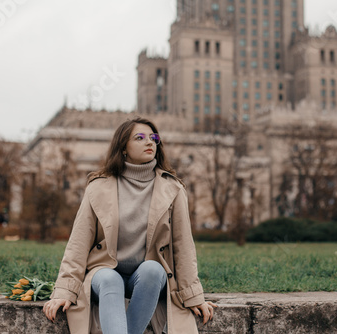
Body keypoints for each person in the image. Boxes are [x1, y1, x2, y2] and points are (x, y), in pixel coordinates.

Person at [43, 117, 216, 333]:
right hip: (104, 271)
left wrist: (194, 296)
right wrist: (64, 291)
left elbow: (183, 246)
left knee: (154, 269)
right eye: (140, 138)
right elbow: (78, 243)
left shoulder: (173, 189)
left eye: (154, 138)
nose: (150, 142)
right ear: (123, 147)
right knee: (110, 279)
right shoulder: (98, 187)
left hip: (146, 278)